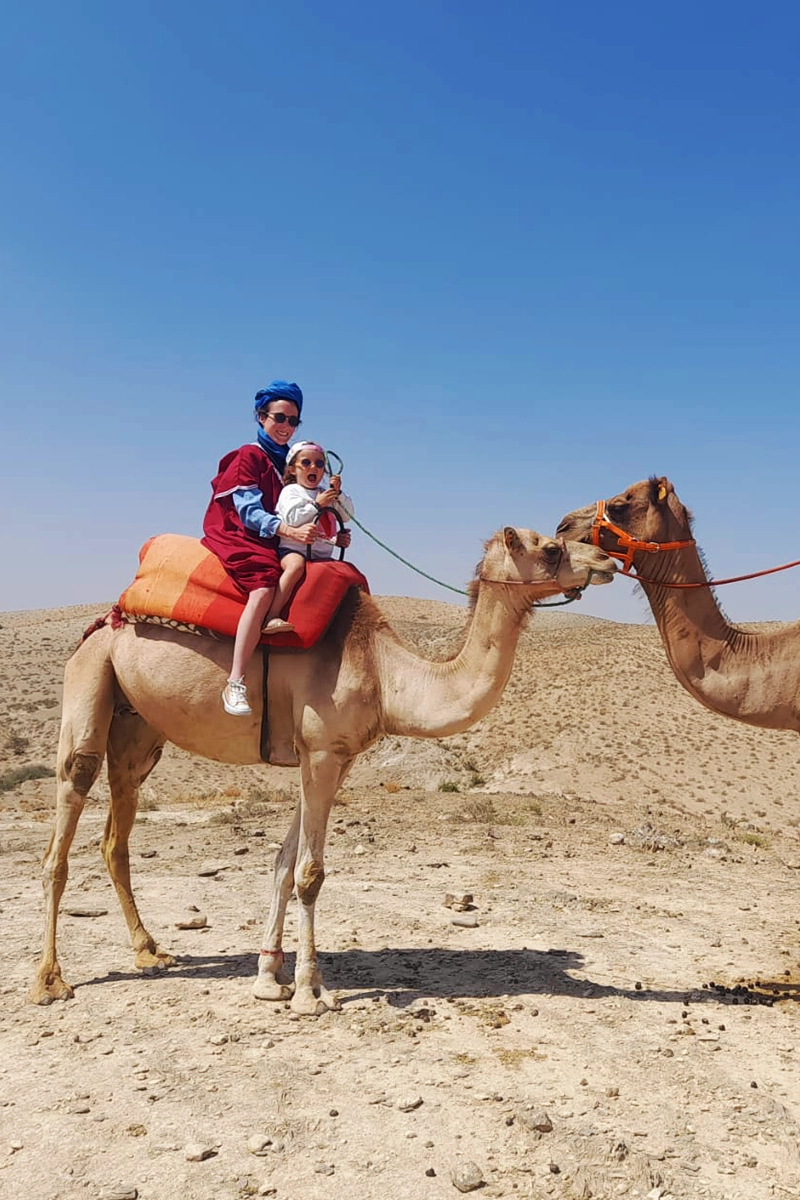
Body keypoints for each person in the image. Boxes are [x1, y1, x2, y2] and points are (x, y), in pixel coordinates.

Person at [201, 380, 318, 717]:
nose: (286, 427)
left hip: (276, 534)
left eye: (293, 421)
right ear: (261, 417)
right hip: (241, 533)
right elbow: (249, 513)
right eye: (280, 418)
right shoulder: (249, 456)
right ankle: (235, 681)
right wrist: (289, 530)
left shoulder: (291, 463)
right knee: (265, 585)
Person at [274, 441, 354, 605]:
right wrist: (317, 505)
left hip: (322, 555)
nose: (313, 467)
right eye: (305, 462)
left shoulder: (325, 495)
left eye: (319, 463)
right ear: (292, 469)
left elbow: (347, 516)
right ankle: (272, 614)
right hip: (293, 550)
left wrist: (337, 493)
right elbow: (292, 519)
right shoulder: (291, 491)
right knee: (296, 567)